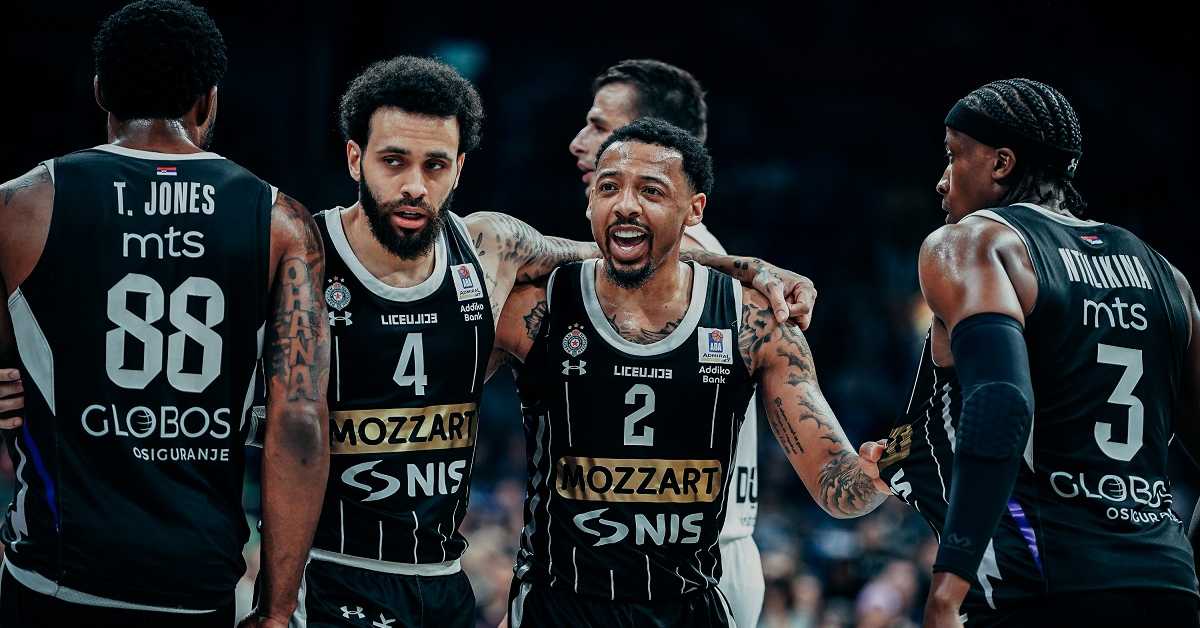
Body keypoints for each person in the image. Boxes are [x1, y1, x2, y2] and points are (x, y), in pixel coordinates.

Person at [251, 56, 817, 627]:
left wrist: (752, 268)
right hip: (332, 570)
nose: (414, 186)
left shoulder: (490, 247)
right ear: (356, 158)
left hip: (443, 581)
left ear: (459, 168)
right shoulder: (304, 249)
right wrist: (273, 603)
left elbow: (620, 254)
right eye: (393, 161)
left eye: (435, 164)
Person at [0, 2, 330, 627]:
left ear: (101, 91)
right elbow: (300, 424)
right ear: (209, 101)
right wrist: (277, 607)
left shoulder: (21, 206)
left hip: (55, 573)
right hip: (194, 578)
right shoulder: (283, 222)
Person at [497, 118, 888, 627]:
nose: (626, 205)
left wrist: (882, 471)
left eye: (651, 191)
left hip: (687, 607)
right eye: (609, 187)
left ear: (694, 210)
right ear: (590, 201)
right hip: (557, 607)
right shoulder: (534, 307)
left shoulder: (754, 322)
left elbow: (836, 487)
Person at [875, 78, 1199, 627]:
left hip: (1042, 584)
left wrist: (948, 584)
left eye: (953, 155)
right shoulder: (1167, 275)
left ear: (1001, 163)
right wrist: (1182, 566)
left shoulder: (975, 242)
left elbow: (1002, 400)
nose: (942, 181)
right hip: (1165, 582)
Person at [568, 59, 768, 627]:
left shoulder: (680, 258)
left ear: (658, 142)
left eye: (600, 127)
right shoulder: (705, 257)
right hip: (693, 548)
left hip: (690, 561)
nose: (581, 144)